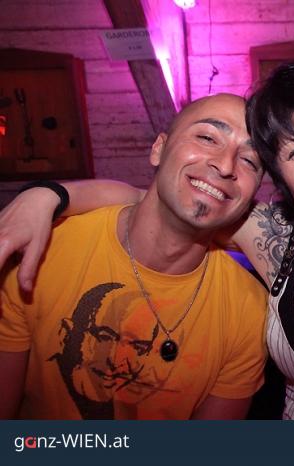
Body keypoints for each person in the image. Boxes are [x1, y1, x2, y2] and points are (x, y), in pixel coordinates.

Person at [0, 60, 294, 420]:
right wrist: (47, 195)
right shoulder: (267, 236)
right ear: (280, 175)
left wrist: (46, 195)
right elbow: (156, 197)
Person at [0, 93, 268, 419]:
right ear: (158, 149)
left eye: (250, 161)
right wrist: (44, 194)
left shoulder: (248, 309)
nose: (226, 166)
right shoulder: (44, 252)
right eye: (207, 138)